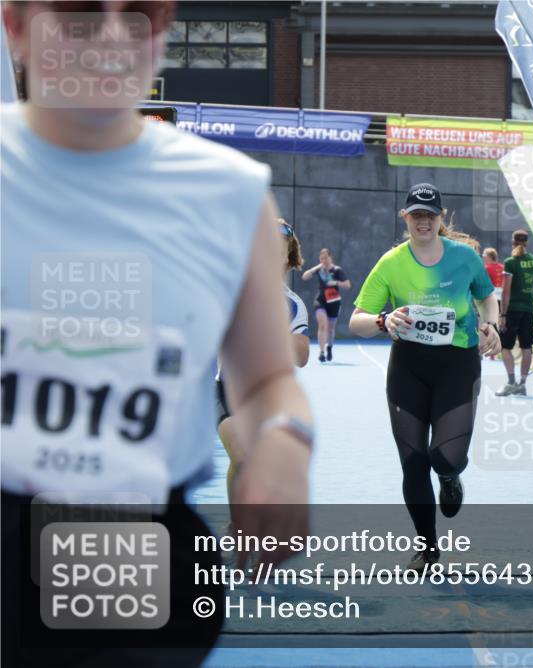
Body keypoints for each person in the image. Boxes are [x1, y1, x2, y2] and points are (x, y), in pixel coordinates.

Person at [0, 3, 312, 665]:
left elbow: (265, 379)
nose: (112, 34)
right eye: (80, 15)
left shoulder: (226, 193)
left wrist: (283, 449)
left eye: (137, 16)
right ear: (18, 27)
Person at [349, 183, 501, 571]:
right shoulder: (391, 263)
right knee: (413, 462)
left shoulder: (465, 257)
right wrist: (384, 320)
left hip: (457, 365)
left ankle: (450, 477)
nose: (424, 221)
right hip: (408, 369)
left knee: (444, 457)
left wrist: (491, 324)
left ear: (441, 218)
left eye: (430, 215)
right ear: (405, 218)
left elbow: (487, 295)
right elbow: (357, 322)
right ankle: (427, 547)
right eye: (416, 215)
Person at [217, 219, 310, 505]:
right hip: (227, 389)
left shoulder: (293, 306)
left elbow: (303, 357)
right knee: (243, 456)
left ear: (288, 258)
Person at [496, 229, 533, 396]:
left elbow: (506, 291)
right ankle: (522, 384)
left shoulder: (511, 262)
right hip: (529, 309)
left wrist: (503, 314)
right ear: (527, 243)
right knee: (526, 346)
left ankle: (511, 382)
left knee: (505, 346)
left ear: (513, 242)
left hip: (513, 309)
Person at [303, 248, 350, 362]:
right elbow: (305, 276)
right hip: (321, 300)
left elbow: (347, 285)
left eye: (326, 258)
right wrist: (316, 267)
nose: (324, 260)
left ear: (330, 257)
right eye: (321, 258)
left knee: (330, 328)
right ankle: (322, 351)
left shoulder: (337, 270)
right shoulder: (319, 270)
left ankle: (329, 348)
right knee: (322, 325)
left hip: (333, 301)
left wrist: (335, 282)